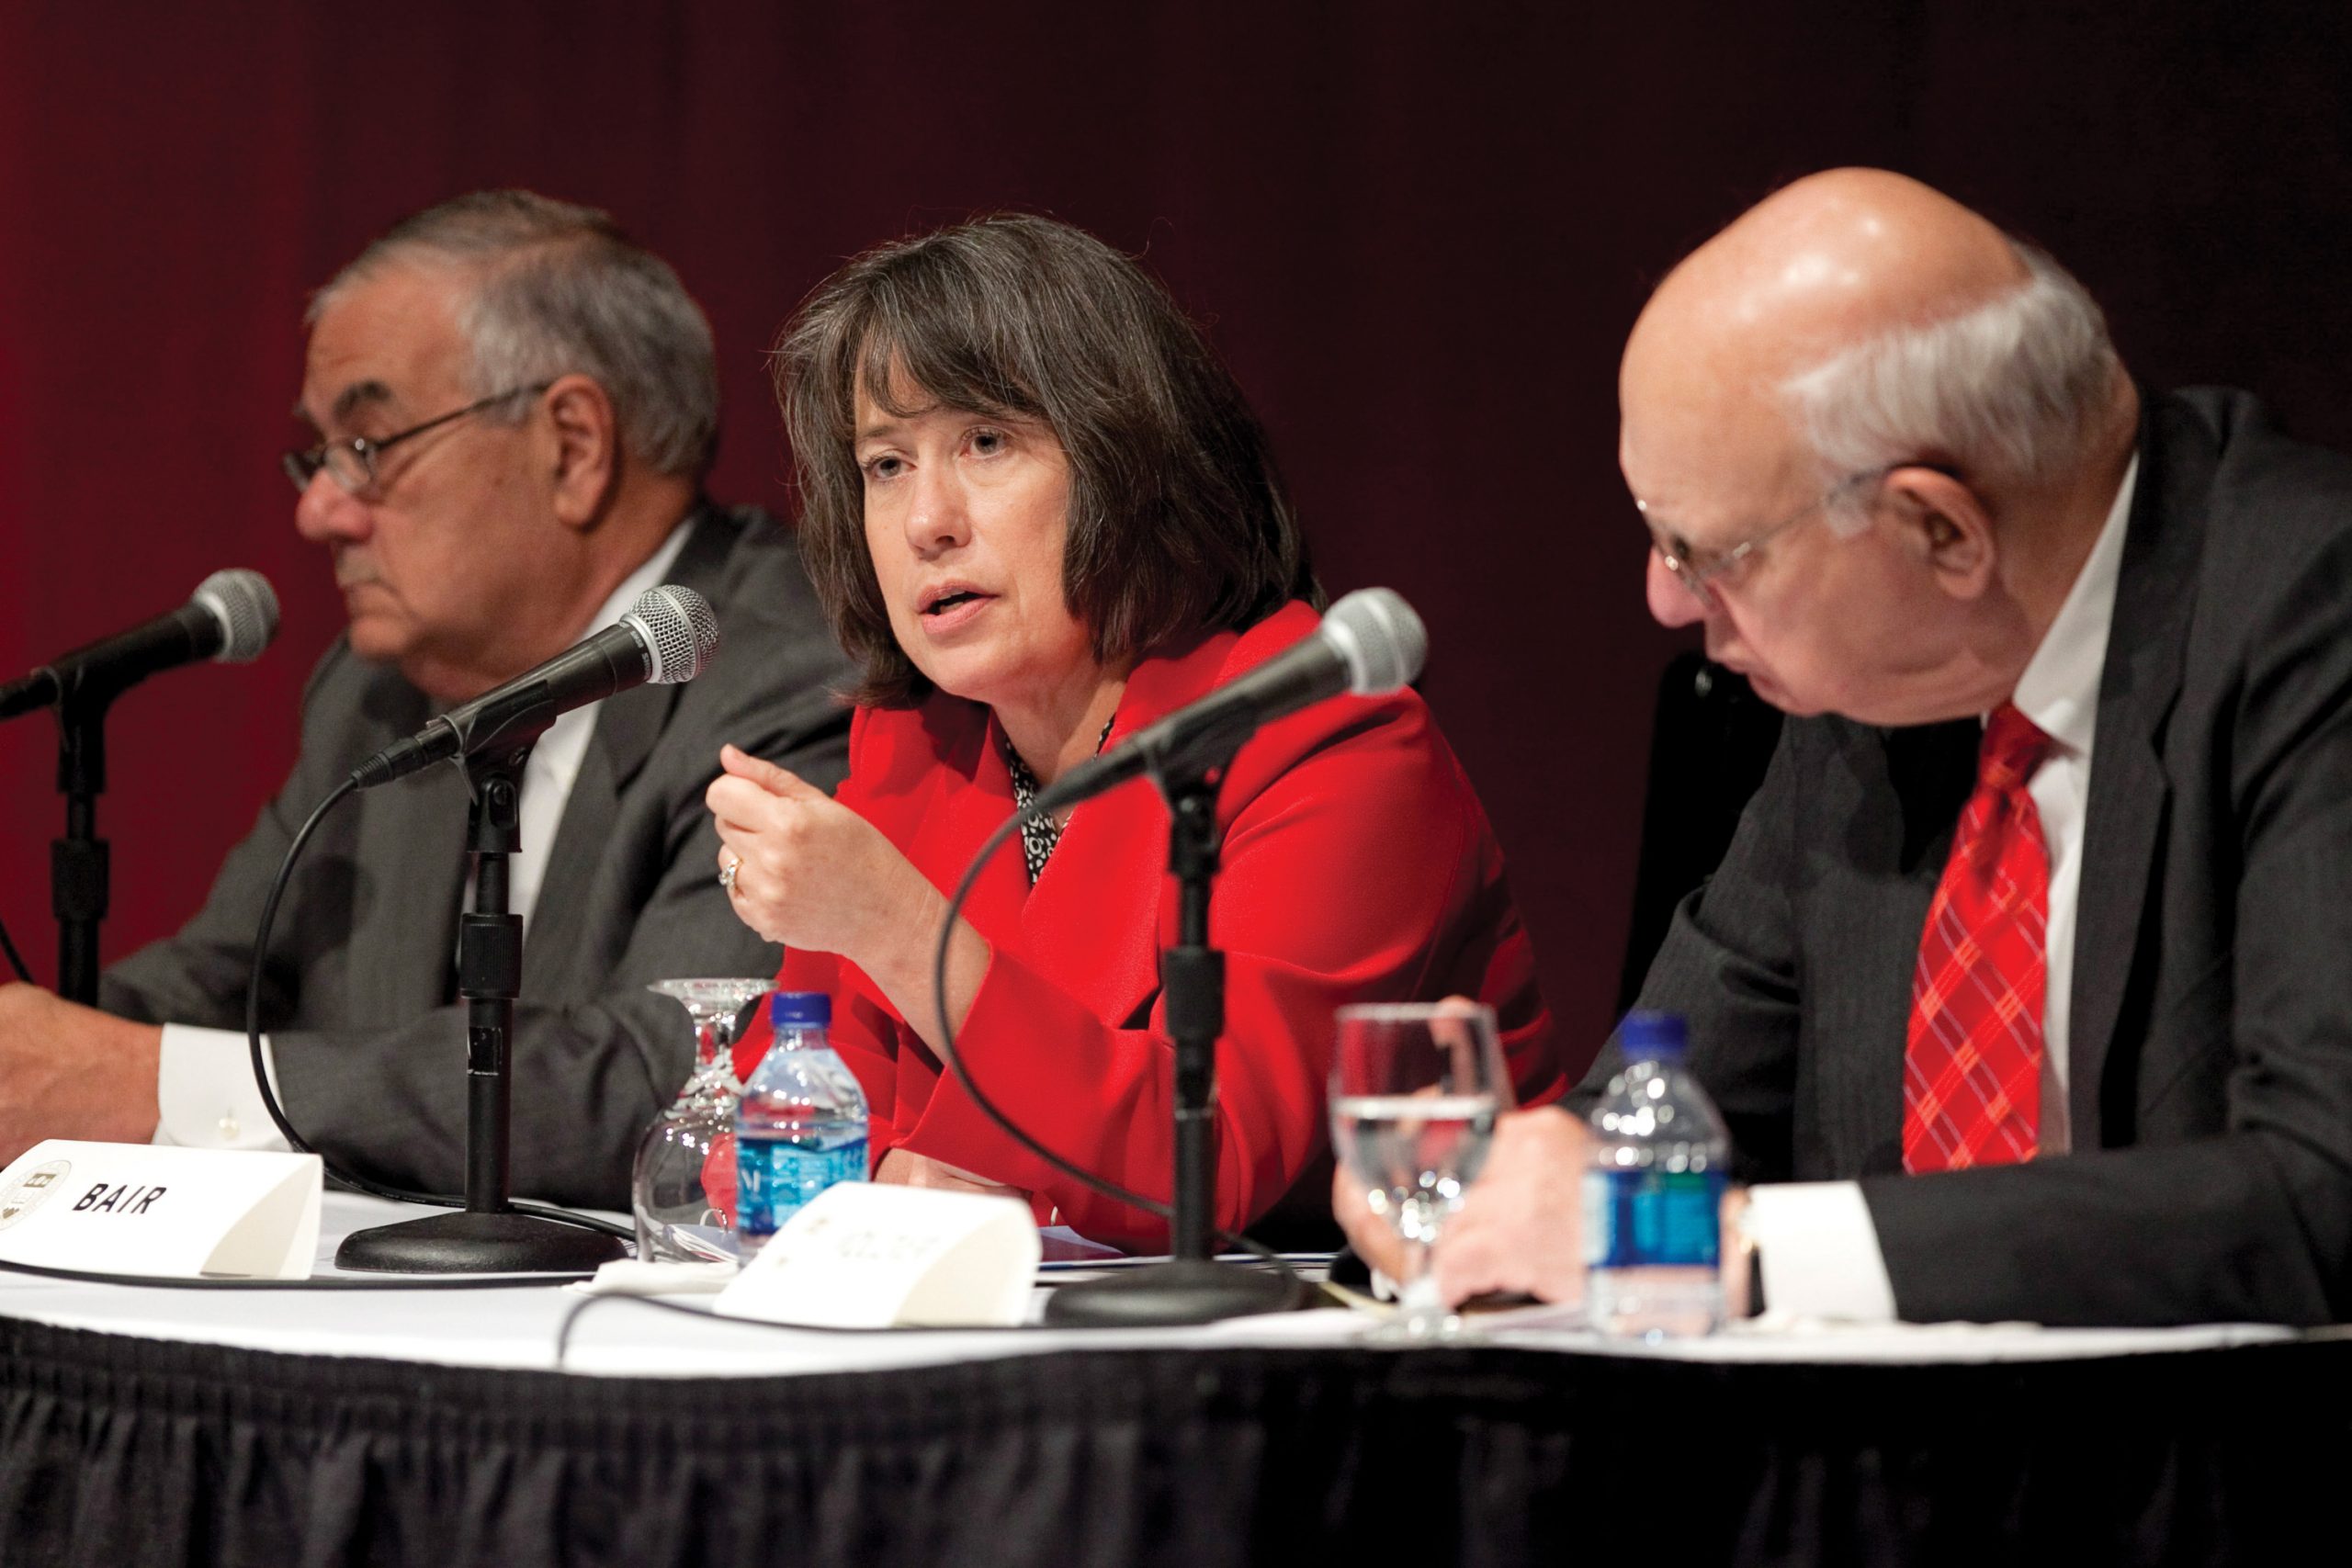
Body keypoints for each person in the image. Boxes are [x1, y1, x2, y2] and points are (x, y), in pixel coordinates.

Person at [1340, 167, 2352, 1327]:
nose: (1666, 604)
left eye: (1706, 552)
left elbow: (2322, 1184)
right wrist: (1498, 1207)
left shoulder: (2309, 617)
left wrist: (1744, 1250)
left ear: (1940, 531)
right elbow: (1657, 1109)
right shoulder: (1875, 689)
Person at [707, 213, 1561, 1249]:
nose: (926, 519)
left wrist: (896, 932)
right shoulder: (919, 749)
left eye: (985, 442)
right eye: (886, 464)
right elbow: (758, 1146)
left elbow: (1204, 1169)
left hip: (1368, 1351)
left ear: (1129, 460)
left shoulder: (1332, 743)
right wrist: (904, 1174)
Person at [0, 191, 853, 1209]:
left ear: (572, 446)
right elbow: (228, 978)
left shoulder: (789, 674)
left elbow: (674, 1075)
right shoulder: (378, 692)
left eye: (367, 445)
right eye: (316, 455)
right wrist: (40, 1051)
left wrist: (146, 1085)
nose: (318, 509)